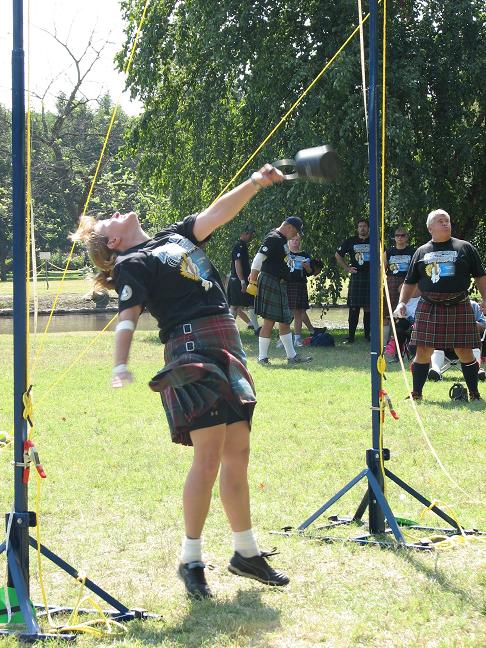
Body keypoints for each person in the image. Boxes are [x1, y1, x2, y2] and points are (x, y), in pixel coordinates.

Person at [71, 164, 289, 599]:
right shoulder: (132, 263)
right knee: (208, 456)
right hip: (190, 349)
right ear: (113, 242)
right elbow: (127, 316)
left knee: (238, 451)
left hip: (225, 339)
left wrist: (254, 183)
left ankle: (245, 552)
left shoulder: (173, 236)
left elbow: (217, 213)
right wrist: (120, 363)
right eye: (109, 220)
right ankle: (191, 560)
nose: (116, 213)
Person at [394, 209, 486, 401]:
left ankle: (474, 393)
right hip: (429, 305)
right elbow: (410, 282)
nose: (445, 223)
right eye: (440, 221)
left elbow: (480, 276)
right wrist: (402, 302)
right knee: (423, 350)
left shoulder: (465, 247)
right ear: (430, 228)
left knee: (464, 350)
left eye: (447, 221)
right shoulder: (422, 251)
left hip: (459, 304)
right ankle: (416, 393)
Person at [247, 216, 312, 365]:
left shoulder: (281, 240)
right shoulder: (273, 238)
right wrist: (253, 280)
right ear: (289, 227)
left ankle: (292, 357)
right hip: (270, 280)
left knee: (284, 320)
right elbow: (258, 258)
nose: (295, 235)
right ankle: (262, 358)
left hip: (279, 282)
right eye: (295, 231)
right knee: (269, 321)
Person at [428, 300, 486, 382]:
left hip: (468, 347)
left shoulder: (474, 305)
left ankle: (477, 370)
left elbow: (483, 326)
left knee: (475, 343)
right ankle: (436, 371)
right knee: (437, 341)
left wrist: (470, 323)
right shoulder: (439, 305)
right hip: (444, 346)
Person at [335, 218, 371, 343]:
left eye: (364, 226)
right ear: (357, 228)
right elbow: (338, 255)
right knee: (354, 307)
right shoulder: (351, 241)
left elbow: (383, 256)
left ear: (368, 228)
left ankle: (368, 336)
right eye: (360, 226)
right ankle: (351, 337)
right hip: (357, 276)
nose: (362, 228)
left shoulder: (375, 241)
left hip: (370, 276)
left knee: (368, 307)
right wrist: (347, 268)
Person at [286, 234, 322, 347]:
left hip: (299, 284)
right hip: (286, 284)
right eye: (293, 239)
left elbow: (310, 272)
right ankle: (283, 338)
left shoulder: (305, 255)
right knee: (286, 313)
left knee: (298, 312)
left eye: (297, 240)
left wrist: (306, 267)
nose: (295, 242)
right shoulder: (285, 254)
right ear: (289, 241)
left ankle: (297, 339)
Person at [383, 227, 415, 345]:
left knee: (403, 311)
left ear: (407, 237)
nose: (399, 237)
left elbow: (415, 270)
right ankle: (387, 343)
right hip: (391, 281)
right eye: (397, 235)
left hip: (407, 282)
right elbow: (382, 269)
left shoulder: (413, 252)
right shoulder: (389, 252)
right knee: (389, 313)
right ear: (394, 237)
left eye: (402, 235)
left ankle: (401, 340)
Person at [227, 226, 260, 333]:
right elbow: (237, 264)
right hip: (238, 280)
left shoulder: (243, 246)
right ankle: (229, 331)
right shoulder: (239, 246)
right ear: (243, 234)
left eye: (251, 234)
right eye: (248, 234)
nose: (250, 236)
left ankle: (256, 328)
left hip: (242, 279)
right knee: (235, 305)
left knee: (249, 303)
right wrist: (242, 281)